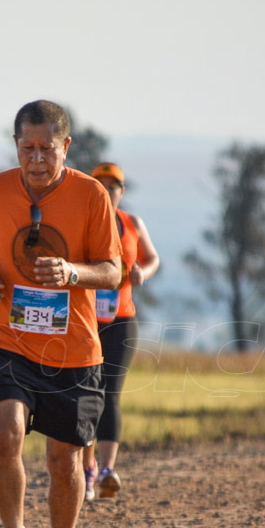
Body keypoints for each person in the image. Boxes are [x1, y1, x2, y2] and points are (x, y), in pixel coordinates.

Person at [0, 100, 121, 528]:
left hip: (74, 350)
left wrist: (73, 273)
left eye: (45, 149)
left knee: (63, 461)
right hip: (8, 340)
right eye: (26, 148)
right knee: (5, 434)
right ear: (16, 147)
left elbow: (112, 271)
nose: (34, 158)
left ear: (65, 148)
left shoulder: (92, 196)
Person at [82, 163, 160, 500]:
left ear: (122, 191)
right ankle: (85, 469)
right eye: (100, 184)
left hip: (122, 319)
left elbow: (153, 257)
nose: (108, 190)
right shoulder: (81, 222)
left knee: (110, 393)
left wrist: (144, 271)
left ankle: (106, 470)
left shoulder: (132, 223)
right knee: (85, 391)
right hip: (84, 320)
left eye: (114, 186)